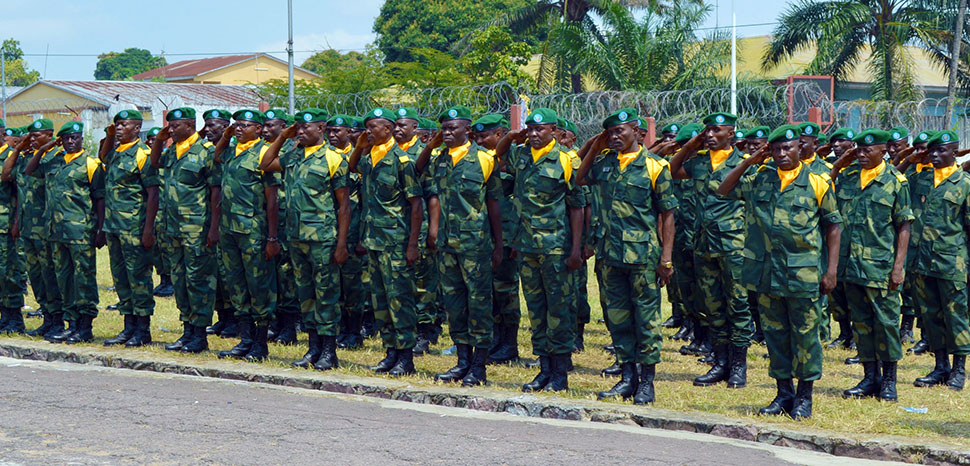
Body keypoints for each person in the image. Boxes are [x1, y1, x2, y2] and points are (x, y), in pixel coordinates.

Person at [718, 124, 842, 420]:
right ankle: (783, 393)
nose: (782, 154)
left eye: (787, 148)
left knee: (805, 337)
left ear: (800, 147)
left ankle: (805, 397)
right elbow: (723, 189)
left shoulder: (817, 181)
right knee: (775, 336)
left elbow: (833, 226)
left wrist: (831, 271)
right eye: (775, 149)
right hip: (767, 274)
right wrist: (749, 160)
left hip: (803, 274)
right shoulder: (761, 179)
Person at [577, 108, 677, 404]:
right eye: (611, 132)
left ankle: (647, 382)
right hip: (609, 255)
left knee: (646, 319)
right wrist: (597, 144)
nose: (615, 137)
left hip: (643, 256)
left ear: (637, 131)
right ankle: (627, 376)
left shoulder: (656, 166)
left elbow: (668, 215)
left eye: (621, 131)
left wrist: (667, 259)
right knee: (618, 319)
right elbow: (580, 177)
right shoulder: (604, 163)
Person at [495, 108, 586, 392]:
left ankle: (559, 373)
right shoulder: (521, 155)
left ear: (554, 131)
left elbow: (577, 207)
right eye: (530, 130)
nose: (534, 135)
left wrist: (576, 249)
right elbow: (499, 154)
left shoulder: (566, 159)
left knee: (557, 310)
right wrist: (511, 135)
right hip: (527, 246)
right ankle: (543, 368)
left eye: (540, 130)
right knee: (536, 309)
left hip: (556, 247)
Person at [416, 106, 503, 386]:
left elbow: (494, 204)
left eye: (453, 128)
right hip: (447, 245)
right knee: (455, 306)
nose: (448, 133)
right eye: (444, 128)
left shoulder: (485, 159)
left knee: (478, 305)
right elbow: (417, 169)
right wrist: (431, 144)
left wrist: (499, 244)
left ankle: (479, 367)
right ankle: (462, 362)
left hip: (475, 245)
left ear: (468, 130)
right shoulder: (439, 159)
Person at [260, 108, 351, 370]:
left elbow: (344, 205)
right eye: (298, 128)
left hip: (323, 238)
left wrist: (341, 243)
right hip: (296, 237)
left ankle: (329, 351)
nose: (300, 132)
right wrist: (282, 138)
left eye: (306, 128)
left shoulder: (334, 158)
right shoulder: (293, 156)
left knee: (326, 295)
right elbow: (265, 163)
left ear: (321, 129)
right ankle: (313, 348)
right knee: (306, 294)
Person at [668, 112, 752, 389]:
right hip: (703, 244)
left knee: (738, 306)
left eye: (716, 131)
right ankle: (720, 362)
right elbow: (672, 169)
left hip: (734, 247)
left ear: (731, 134)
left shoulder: (743, 164)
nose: (710, 135)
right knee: (713, 307)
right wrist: (690, 146)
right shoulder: (700, 162)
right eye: (707, 131)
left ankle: (738, 367)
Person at [830, 129, 912, 402]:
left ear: (884, 151)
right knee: (862, 324)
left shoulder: (896, 182)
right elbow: (824, 183)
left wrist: (898, 267)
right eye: (859, 150)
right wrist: (844, 161)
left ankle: (889, 381)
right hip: (851, 266)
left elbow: (904, 227)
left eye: (868, 150)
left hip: (881, 267)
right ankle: (869, 378)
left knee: (886, 324)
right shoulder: (849, 177)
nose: (862, 155)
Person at [347, 107, 424, 377]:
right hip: (374, 240)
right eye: (367, 127)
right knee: (380, 301)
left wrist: (412, 244)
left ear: (388, 129)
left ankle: (406, 357)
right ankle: (390, 351)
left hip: (396, 242)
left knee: (399, 300)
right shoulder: (370, 158)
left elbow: (417, 205)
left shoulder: (402, 161)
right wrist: (358, 145)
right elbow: (351, 166)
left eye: (373, 127)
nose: (368, 131)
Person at [211, 109, 281, 362]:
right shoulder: (231, 151)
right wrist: (226, 135)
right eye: (236, 125)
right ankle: (245, 339)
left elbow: (271, 199)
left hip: (254, 231)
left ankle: (260, 343)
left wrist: (272, 238)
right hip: (230, 230)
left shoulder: (264, 153)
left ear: (259, 129)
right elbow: (217, 155)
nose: (239, 129)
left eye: (245, 125)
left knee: (258, 286)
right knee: (237, 286)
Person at [26, 121, 105, 344]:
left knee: (84, 279)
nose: (71, 142)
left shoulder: (90, 164)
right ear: (60, 141)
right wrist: (42, 150)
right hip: (56, 233)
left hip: (80, 232)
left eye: (75, 138)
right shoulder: (53, 162)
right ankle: (71, 324)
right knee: (65, 280)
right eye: (67, 138)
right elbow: (29, 170)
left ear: (81, 139)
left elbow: (100, 198)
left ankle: (85, 326)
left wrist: (100, 229)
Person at [149, 107, 221, 353]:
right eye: (169, 126)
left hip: (196, 228)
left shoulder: (206, 152)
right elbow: (155, 162)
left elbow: (215, 191)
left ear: (189, 126)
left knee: (198, 280)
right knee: (179, 280)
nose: (170, 130)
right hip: (173, 228)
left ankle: (199, 334)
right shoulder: (171, 151)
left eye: (174, 126)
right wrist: (160, 140)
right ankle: (187, 329)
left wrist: (213, 228)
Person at [909, 130, 970, 391]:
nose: (934, 155)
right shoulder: (920, 179)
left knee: (956, 316)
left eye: (941, 150)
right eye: (931, 151)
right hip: (923, 263)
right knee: (931, 317)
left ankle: (959, 369)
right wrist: (914, 156)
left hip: (952, 263)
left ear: (954, 153)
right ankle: (940, 366)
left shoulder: (964, 183)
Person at [99, 110, 159, 347]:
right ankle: (128, 326)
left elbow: (153, 193)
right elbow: (102, 155)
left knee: (139, 277)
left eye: (124, 125)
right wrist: (109, 135)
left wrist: (148, 230)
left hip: (134, 227)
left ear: (137, 128)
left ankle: (143, 329)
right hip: (114, 226)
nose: (120, 128)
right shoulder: (114, 153)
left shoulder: (142, 155)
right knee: (121, 277)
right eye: (117, 125)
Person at [1, 119, 64, 340]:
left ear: (50, 135)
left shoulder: (56, 158)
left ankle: (58, 320)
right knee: (37, 276)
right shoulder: (26, 158)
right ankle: (48, 318)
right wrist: (18, 149)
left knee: (50, 276)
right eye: (31, 136)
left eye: (37, 136)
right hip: (28, 227)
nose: (32, 139)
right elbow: (7, 174)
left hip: (46, 227)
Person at [472, 115, 521, 365]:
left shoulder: (512, 155)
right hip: (483, 235)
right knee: (488, 291)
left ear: (500, 134)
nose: (480, 141)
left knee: (506, 291)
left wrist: (510, 241)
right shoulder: (476, 160)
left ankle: (510, 344)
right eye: (477, 137)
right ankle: (493, 340)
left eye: (485, 136)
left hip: (507, 232)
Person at [394, 107, 439, 355]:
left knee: (423, 282)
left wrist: (432, 230)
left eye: (403, 125)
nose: (398, 129)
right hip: (395, 229)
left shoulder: (423, 154)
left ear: (415, 129)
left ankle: (425, 332)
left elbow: (432, 195)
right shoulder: (387, 152)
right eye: (396, 125)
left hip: (419, 228)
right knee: (401, 284)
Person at [327, 114, 367, 349]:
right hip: (331, 227)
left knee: (353, 283)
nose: (333, 135)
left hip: (354, 227)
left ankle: (355, 330)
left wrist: (362, 234)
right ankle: (342, 327)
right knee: (336, 282)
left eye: (337, 131)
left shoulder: (360, 156)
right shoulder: (326, 156)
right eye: (330, 131)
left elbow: (366, 198)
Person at [262, 108, 300, 345]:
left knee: (288, 278)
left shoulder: (292, 151)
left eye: (272, 126)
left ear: (283, 126)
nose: (266, 130)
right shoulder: (271, 150)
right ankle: (275, 322)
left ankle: (290, 327)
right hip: (270, 221)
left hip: (290, 222)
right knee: (273, 276)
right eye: (264, 126)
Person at [198, 109, 236, 338]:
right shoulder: (202, 151)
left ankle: (233, 320)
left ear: (226, 128)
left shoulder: (230, 151)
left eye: (214, 125)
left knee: (227, 274)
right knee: (215, 273)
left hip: (225, 218)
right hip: (205, 218)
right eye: (207, 125)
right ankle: (222, 317)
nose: (209, 130)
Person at [823, 128, 857, 350]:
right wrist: (837, 165)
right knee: (837, 294)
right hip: (836, 242)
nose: (835, 145)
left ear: (852, 145)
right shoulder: (833, 170)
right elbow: (825, 187)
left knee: (855, 293)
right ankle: (844, 332)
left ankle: (856, 336)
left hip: (857, 243)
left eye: (841, 142)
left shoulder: (861, 170)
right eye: (833, 142)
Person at [0, 121, 26, 334]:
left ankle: (14, 318)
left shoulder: (11, 156)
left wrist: (17, 222)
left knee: (10, 271)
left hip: (6, 224)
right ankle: (3, 315)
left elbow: (20, 193)